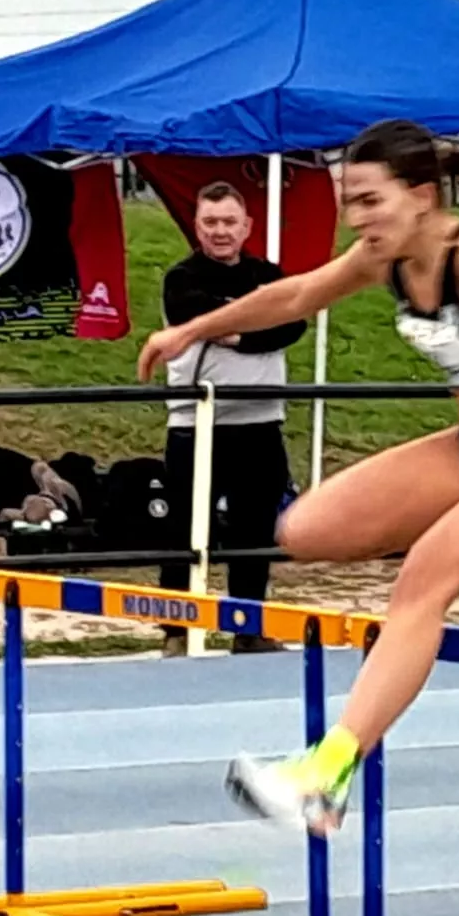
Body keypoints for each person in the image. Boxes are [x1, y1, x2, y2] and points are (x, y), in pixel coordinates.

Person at [138, 119, 459, 834]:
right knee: (305, 529)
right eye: (350, 203)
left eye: (370, 201)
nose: (358, 220)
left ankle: (326, 774)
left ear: (422, 197)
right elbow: (296, 295)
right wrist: (192, 329)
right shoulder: (387, 258)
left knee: (420, 583)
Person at [154, 182, 307, 659]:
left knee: (254, 530)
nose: (220, 232)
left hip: (260, 420)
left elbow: (293, 322)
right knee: (185, 527)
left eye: (228, 223)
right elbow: (193, 315)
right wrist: (248, 321)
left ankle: (248, 625)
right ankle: (176, 629)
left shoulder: (269, 274)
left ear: (247, 228)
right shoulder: (181, 277)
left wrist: (237, 333)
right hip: (196, 421)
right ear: (197, 226)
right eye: (210, 222)